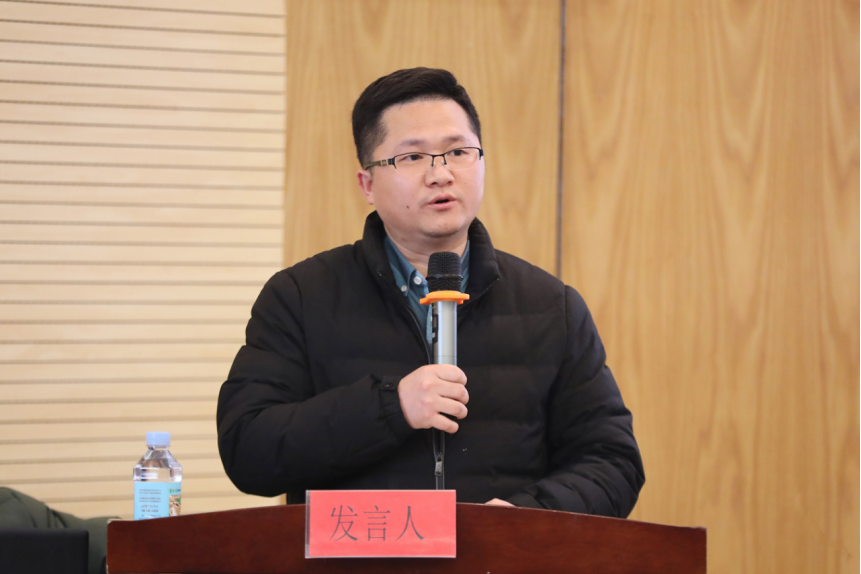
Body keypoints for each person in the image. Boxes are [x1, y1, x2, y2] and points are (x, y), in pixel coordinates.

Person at [217, 68, 644, 516]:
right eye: (412, 157)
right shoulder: (301, 297)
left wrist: (522, 518)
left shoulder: (551, 306)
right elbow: (248, 450)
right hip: (358, 551)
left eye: (458, 151)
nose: (440, 174)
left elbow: (613, 463)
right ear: (367, 184)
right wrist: (391, 406)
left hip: (500, 553)